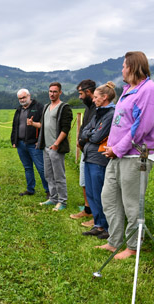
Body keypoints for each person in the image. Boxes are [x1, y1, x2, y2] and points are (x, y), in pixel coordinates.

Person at [96, 51, 154, 259]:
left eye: (124, 65)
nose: (122, 69)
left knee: (132, 203)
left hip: (135, 157)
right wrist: (113, 148)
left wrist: (117, 148)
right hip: (117, 156)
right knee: (109, 198)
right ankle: (114, 241)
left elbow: (140, 127)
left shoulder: (149, 91)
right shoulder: (129, 90)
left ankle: (133, 246)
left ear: (133, 67)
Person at [79, 82, 116, 239]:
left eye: (95, 97)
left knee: (100, 192)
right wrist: (90, 134)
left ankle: (106, 225)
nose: (93, 100)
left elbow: (97, 136)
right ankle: (98, 224)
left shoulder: (110, 114)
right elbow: (85, 131)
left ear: (104, 97)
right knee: (92, 192)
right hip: (89, 155)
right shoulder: (98, 113)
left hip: (99, 158)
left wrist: (90, 134)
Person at [37, 82, 73, 211]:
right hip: (46, 147)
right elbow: (43, 126)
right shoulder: (46, 107)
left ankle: (62, 201)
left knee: (59, 176)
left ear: (60, 92)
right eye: (50, 91)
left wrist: (56, 143)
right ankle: (53, 198)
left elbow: (65, 128)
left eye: (55, 92)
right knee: (48, 175)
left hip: (56, 147)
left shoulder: (64, 107)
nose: (52, 94)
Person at [10, 89, 49, 197]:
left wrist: (40, 141)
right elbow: (15, 126)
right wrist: (14, 140)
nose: (22, 100)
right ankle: (30, 189)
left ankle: (49, 191)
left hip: (34, 144)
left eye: (24, 97)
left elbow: (45, 125)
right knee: (27, 167)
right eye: (20, 98)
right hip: (21, 144)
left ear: (29, 96)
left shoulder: (39, 107)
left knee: (41, 168)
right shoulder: (18, 110)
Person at [70, 80, 96, 225]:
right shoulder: (88, 107)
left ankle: (97, 216)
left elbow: (95, 130)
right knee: (84, 181)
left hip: (93, 151)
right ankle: (88, 209)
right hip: (85, 150)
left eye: (81, 93)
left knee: (94, 183)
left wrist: (83, 140)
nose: (79, 97)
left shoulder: (98, 108)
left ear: (88, 91)